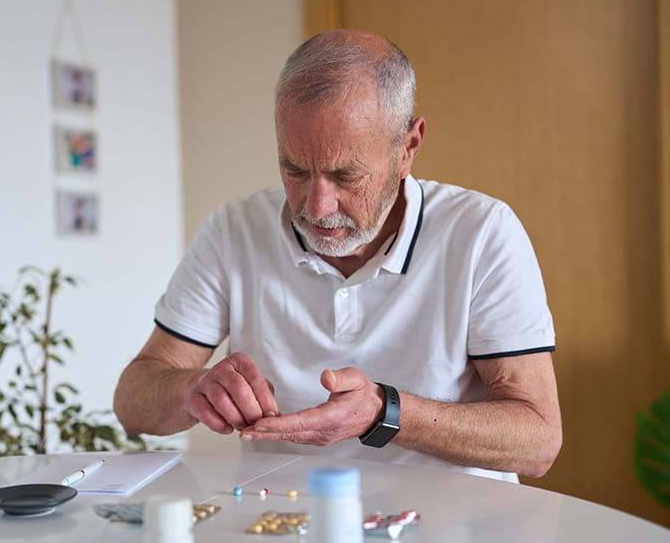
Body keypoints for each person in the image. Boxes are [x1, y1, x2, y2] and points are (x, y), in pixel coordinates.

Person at [113, 29, 561, 483]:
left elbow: (538, 442)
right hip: (284, 522)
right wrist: (192, 389)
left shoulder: (482, 232)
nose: (316, 206)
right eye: (295, 170)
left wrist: (382, 414)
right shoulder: (235, 229)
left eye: (345, 176)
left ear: (409, 147)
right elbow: (132, 402)